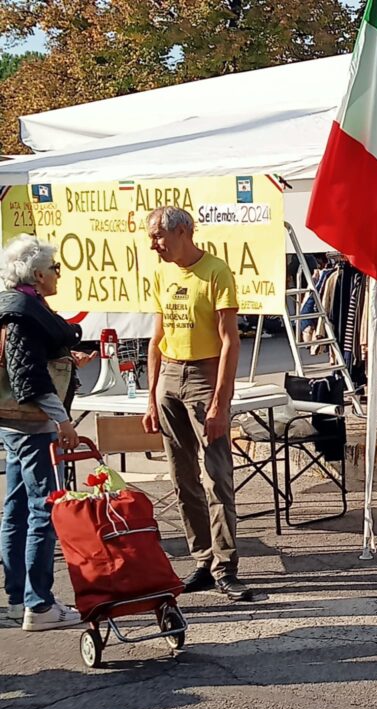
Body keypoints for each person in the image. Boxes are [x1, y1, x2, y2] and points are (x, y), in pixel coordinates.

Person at [141, 207, 252, 601]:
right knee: (181, 474)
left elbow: (230, 342)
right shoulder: (160, 272)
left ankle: (226, 566)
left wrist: (220, 404)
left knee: (216, 475)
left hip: (204, 376)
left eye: (158, 236)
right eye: (151, 237)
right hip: (170, 376)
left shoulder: (217, 272)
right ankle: (203, 559)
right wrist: (152, 397)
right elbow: (157, 338)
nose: (153, 244)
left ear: (183, 231)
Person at [0, 235, 88, 630]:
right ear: (37, 274)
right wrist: (62, 420)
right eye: (55, 268)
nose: (58, 274)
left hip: (13, 422)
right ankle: (39, 605)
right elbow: (29, 378)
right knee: (43, 508)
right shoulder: (24, 310)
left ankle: (18, 600)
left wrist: (68, 356)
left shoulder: (17, 305)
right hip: (31, 423)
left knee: (16, 507)